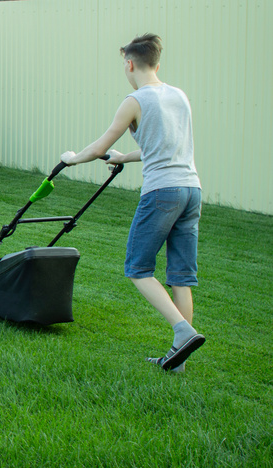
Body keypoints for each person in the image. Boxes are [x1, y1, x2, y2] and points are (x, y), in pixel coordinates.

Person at [59, 33, 204, 372]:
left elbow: (98, 147)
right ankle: (179, 359)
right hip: (191, 190)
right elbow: (164, 147)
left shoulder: (135, 100)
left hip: (162, 193)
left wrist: (71, 158)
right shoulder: (178, 96)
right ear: (157, 62)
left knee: (138, 269)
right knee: (180, 276)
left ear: (129, 63)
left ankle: (183, 331)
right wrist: (124, 157)